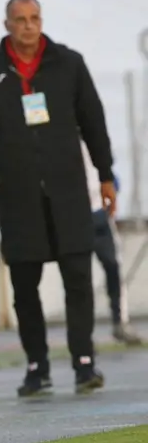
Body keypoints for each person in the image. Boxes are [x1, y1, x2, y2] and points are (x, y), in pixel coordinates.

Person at [0, 0, 116, 397]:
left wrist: (106, 174)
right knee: (25, 286)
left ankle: (84, 363)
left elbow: (93, 120)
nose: (28, 26)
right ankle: (37, 366)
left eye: (34, 18)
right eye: (20, 19)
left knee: (78, 279)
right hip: (19, 199)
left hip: (68, 194)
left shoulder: (68, 64)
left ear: (42, 21)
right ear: (6, 25)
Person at [81, 140, 143, 346]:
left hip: (99, 215)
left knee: (113, 268)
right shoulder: (61, 143)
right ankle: (83, 333)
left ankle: (120, 322)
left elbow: (110, 176)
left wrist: (111, 191)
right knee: (79, 276)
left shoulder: (94, 144)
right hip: (75, 217)